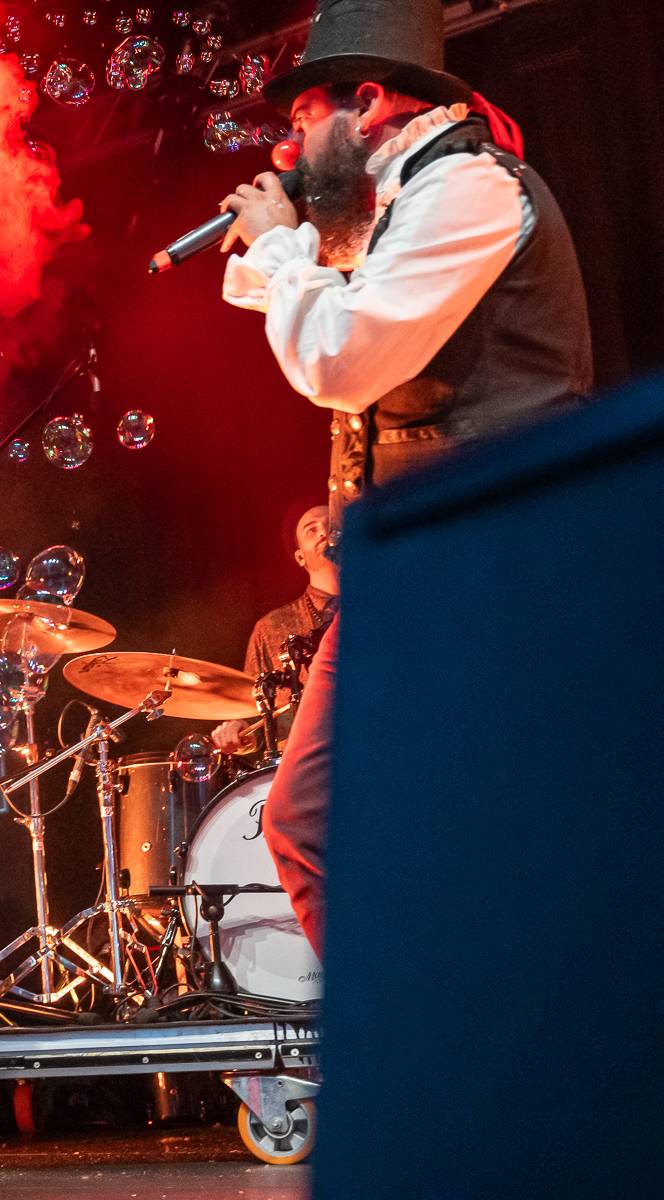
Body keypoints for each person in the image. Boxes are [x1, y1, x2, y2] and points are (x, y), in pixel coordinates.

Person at [215, 0, 591, 953]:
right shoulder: (402, 203)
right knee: (311, 821)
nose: (290, 148)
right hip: (413, 570)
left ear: (371, 103)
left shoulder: (468, 186)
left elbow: (340, 356)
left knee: (488, 833)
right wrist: (278, 249)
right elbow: (340, 291)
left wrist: (280, 245)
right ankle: (417, 1028)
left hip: (498, 552)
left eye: (304, 118)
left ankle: (500, 1029)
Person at [210, 505, 339, 756]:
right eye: (311, 530)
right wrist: (240, 730)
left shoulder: (386, 607)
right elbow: (255, 715)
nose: (324, 532)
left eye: (332, 524)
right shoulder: (271, 628)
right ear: (300, 557)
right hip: (306, 761)